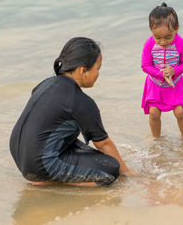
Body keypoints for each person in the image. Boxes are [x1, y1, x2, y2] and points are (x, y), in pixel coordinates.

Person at [10, 37, 134, 187]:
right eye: (98, 68)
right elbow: (103, 144)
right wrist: (126, 172)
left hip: (19, 154)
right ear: (83, 70)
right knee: (111, 169)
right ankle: (49, 182)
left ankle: (46, 172)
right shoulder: (81, 102)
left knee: (79, 146)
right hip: (38, 165)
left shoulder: (45, 83)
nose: (98, 74)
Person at [141, 2, 183, 140]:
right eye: (158, 37)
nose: (163, 42)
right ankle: (156, 140)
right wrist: (160, 74)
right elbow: (145, 66)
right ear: (151, 30)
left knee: (180, 112)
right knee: (153, 113)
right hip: (155, 85)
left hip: (175, 85)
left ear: (177, 29)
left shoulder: (181, 44)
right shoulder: (149, 44)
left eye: (168, 37)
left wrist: (174, 70)